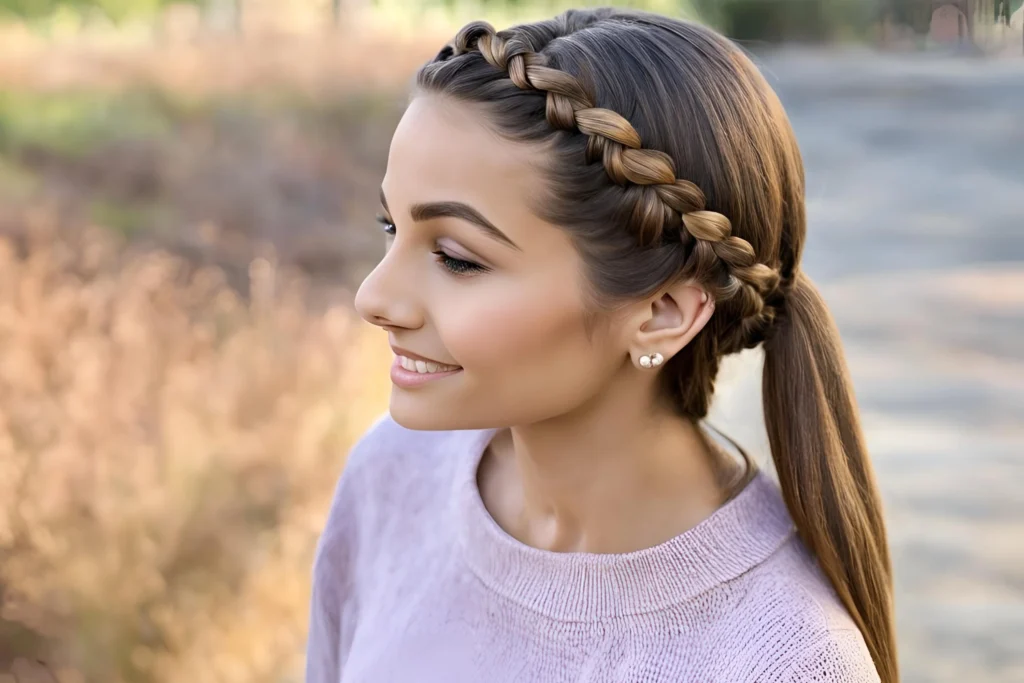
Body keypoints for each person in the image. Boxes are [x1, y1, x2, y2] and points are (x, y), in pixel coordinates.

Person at [306, 8, 896, 683]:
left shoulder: (784, 659)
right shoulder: (392, 476)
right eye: (391, 225)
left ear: (663, 312)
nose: (372, 298)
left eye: (456, 258)